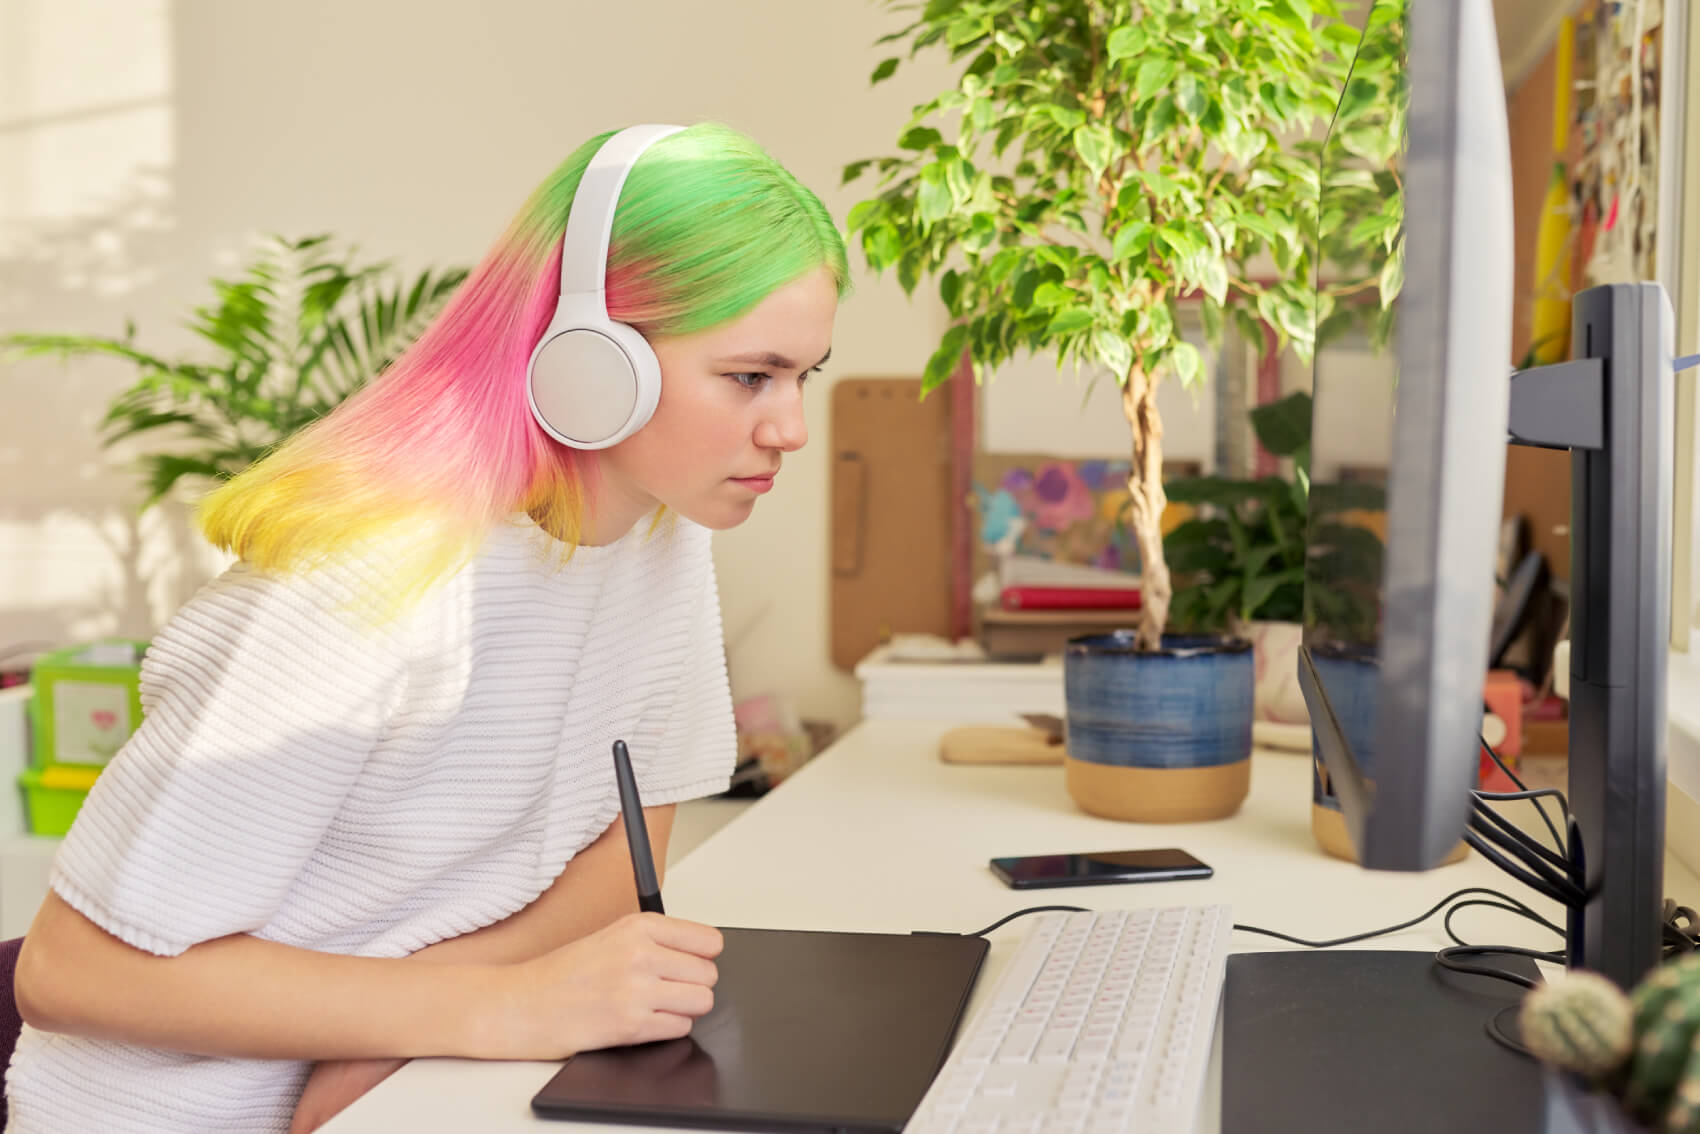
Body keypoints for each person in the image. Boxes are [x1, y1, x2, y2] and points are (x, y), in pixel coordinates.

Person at [5, 121, 847, 1133]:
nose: (790, 428)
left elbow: (616, 871)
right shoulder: (369, 579)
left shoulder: (661, 540)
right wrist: (488, 1006)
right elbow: (69, 972)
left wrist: (398, 1033)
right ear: (593, 359)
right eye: (750, 377)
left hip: (404, 1094)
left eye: (805, 375)